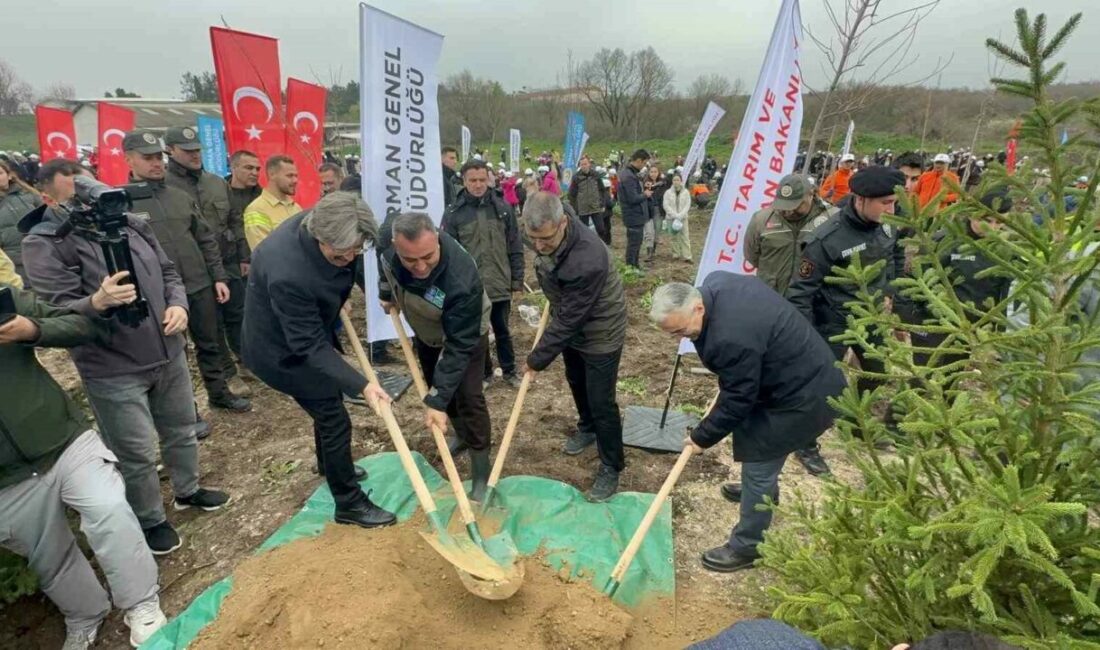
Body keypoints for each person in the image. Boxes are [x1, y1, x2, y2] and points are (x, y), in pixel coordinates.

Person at [22, 163, 230, 557]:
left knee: (182, 429)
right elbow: (55, 312)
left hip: (167, 350)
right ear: (48, 198)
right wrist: (96, 301)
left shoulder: (131, 223)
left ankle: (187, 489)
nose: (88, 200)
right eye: (75, 193)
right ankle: (150, 518)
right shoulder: (45, 242)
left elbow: (168, 272)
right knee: (136, 451)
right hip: (113, 367)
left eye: (90, 187)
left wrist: (179, 305)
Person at [0, 284, 170, 649]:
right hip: (6, 482)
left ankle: (141, 602)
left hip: (64, 440)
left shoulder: (6, 300)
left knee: (109, 509)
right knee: (48, 555)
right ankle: (85, 614)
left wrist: (32, 329)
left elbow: (81, 325)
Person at [650, 275, 845, 572]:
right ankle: (761, 494)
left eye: (681, 330)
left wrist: (701, 437)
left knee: (760, 459)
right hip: (785, 371)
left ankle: (749, 546)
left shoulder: (728, 338)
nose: (680, 338)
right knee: (755, 448)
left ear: (698, 308)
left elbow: (739, 400)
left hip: (802, 394)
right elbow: (739, 385)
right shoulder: (717, 283)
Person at [242, 192, 395, 527]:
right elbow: (308, 345)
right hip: (281, 351)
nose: (349, 259)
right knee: (334, 417)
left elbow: (349, 263)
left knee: (328, 400)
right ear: (319, 238)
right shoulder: (288, 273)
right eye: (341, 255)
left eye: (355, 251)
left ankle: (329, 465)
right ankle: (349, 503)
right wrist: (363, 385)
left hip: (307, 331)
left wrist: (369, 294)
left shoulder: (332, 218)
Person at [121, 130, 250, 413]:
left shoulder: (179, 196)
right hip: (158, 291)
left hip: (197, 282)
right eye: (147, 158)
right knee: (171, 352)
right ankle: (184, 409)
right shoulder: (122, 203)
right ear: (129, 159)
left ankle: (219, 394)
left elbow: (205, 239)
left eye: (158, 157)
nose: (156, 163)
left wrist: (218, 277)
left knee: (210, 342)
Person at [377, 211, 494, 500]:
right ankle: (460, 435)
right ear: (395, 245)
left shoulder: (462, 279)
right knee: (434, 383)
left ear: (438, 240)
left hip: (465, 333)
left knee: (467, 396)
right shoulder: (386, 243)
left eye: (428, 257)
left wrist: (437, 401)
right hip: (426, 329)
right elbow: (385, 266)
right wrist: (386, 293)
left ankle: (481, 472)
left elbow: (457, 348)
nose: (420, 267)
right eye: (410, 260)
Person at [523, 192, 628, 500]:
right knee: (576, 379)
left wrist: (536, 359)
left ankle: (612, 465)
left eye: (545, 239)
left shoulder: (588, 257)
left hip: (601, 328)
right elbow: (567, 316)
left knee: (601, 400)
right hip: (568, 312)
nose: (538, 245)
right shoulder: (540, 224)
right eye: (533, 238)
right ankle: (587, 427)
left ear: (563, 223)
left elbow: (571, 320)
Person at [787, 166, 907, 404]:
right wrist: (806, 338)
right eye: (885, 203)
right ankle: (813, 424)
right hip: (832, 322)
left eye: (894, 202)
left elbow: (895, 253)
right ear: (861, 199)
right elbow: (800, 293)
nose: (892, 210)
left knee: (879, 371)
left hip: (870, 315)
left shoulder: (889, 220)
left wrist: (889, 290)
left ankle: (856, 417)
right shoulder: (826, 237)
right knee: (821, 381)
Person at [743, 174, 836, 475]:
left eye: (796, 204)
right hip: (772, 308)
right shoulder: (762, 220)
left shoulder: (831, 221)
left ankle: (806, 444)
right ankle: (761, 429)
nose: (789, 210)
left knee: (811, 378)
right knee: (768, 371)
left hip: (815, 310)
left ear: (812, 195)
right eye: (783, 204)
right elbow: (752, 256)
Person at [164, 126, 251, 399]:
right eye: (187, 151)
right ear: (170, 151)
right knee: (211, 326)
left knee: (238, 314)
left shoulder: (215, 183)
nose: (195, 155)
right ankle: (228, 373)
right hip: (194, 268)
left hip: (227, 261)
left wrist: (243, 256)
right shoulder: (164, 188)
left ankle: (246, 359)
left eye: (198, 150)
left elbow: (235, 220)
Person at [442, 159, 524, 390]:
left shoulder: (503, 209)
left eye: (482, 180)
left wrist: (517, 278)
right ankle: (485, 373)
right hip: (471, 287)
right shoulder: (453, 214)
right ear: (464, 181)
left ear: (488, 179)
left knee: (503, 329)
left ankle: (509, 371)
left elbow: (515, 244)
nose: (478, 185)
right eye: (472, 180)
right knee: (479, 332)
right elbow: (448, 254)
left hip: (499, 281)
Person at [243, 154, 302, 251]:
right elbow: (263, 252)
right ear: (272, 175)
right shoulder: (256, 210)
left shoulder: (296, 207)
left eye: (296, 176)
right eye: (289, 176)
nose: (295, 180)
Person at [0, 158, 40, 288]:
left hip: (39, 252)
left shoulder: (29, 194)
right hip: (12, 260)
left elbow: (48, 215)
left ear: (9, 175)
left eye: (0, 173)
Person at [567, 155, 612, 244]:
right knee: (584, 231)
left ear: (589, 164)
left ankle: (602, 245)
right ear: (580, 166)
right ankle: (587, 246)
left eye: (585, 164)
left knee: (601, 229)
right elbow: (572, 194)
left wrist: (602, 203)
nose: (584, 166)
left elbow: (602, 190)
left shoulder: (596, 175)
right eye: (582, 164)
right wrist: (576, 208)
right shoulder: (576, 177)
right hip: (583, 209)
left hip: (595, 207)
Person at [619, 149, 652, 269]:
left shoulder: (631, 174)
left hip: (636, 215)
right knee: (634, 244)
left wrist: (643, 188)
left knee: (637, 242)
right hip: (633, 215)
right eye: (644, 163)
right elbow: (632, 198)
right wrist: (645, 194)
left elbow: (634, 191)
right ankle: (631, 267)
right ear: (638, 160)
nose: (644, 166)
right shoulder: (629, 176)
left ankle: (635, 265)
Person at [663, 172, 693, 262]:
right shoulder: (668, 192)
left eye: (678, 180)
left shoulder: (686, 192)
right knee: (674, 237)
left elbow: (687, 205)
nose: (676, 182)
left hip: (683, 218)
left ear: (681, 181)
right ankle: (676, 254)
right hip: (671, 218)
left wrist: (680, 215)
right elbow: (666, 205)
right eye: (674, 180)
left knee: (685, 237)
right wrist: (675, 215)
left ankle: (687, 256)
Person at [643, 164, 668, 261]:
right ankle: (649, 252)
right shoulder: (645, 183)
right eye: (651, 172)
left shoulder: (663, 184)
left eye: (655, 172)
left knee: (657, 231)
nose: (653, 174)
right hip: (648, 209)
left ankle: (653, 250)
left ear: (658, 173)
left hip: (658, 209)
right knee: (649, 231)